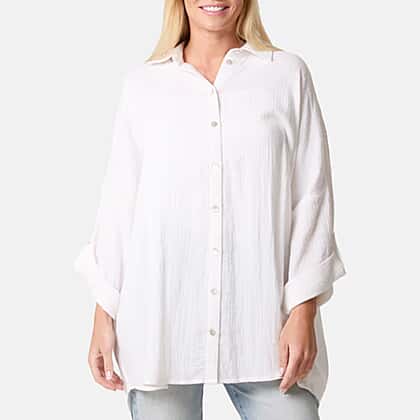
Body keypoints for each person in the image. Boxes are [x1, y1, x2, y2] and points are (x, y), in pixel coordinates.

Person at [74, 0, 347, 418]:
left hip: (264, 325)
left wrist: (303, 309)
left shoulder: (286, 75)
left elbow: (311, 197)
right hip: (160, 324)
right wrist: (103, 313)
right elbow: (120, 204)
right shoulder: (144, 85)